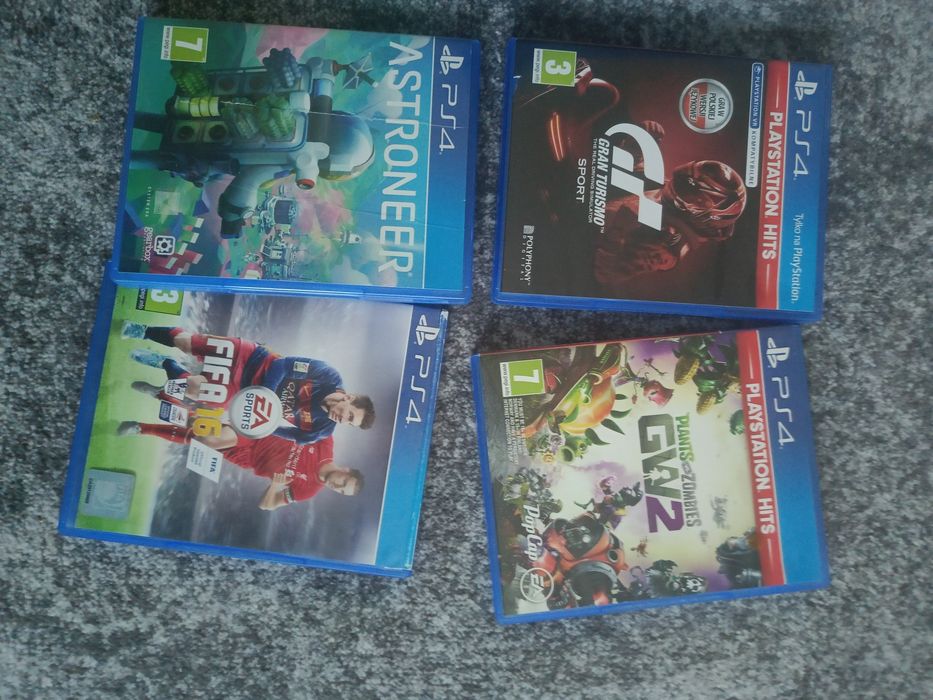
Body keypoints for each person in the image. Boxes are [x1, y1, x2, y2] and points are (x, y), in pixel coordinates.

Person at [118, 322, 374, 448]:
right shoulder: (327, 375)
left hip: (242, 393)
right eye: (350, 415)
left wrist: (262, 423)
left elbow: (292, 436)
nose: (343, 420)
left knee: (191, 389)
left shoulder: (321, 430)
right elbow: (281, 365)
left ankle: (165, 363)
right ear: (349, 397)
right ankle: (141, 330)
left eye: (349, 423)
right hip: (253, 358)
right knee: (186, 342)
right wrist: (266, 396)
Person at [223, 434, 363, 510]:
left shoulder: (308, 490)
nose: (337, 487)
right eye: (343, 482)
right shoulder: (325, 441)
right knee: (214, 434)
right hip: (256, 431)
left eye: (341, 491)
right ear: (346, 470)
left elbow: (266, 505)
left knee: (211, 436)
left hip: (246, 457)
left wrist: (275, 486)